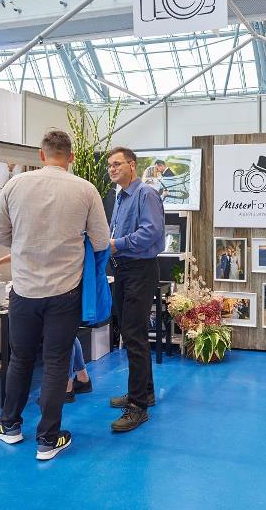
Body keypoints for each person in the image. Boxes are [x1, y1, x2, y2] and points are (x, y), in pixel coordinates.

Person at [0, 130, 110, 461]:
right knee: (57, 361)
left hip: (24, 290)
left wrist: (26, 241)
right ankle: (48, 440)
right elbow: (101, 241)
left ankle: (9, 425)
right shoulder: (85, 189)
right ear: (71, 157)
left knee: (21, 358)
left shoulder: (15, 185)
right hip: (65, 292)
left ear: (41, 155)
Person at [106, 146, 165, 433]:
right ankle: (145, 392)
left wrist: (117, 244)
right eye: (110, 165)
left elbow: (151, 232)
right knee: (132, 334)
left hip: (139, 269)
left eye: (117, 164)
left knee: (134, 335)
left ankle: (138, 407)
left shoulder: (146, 194)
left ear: (132, 165)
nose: (112, 169)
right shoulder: (121, 197)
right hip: (123, 269)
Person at [0, 254, 94, 400]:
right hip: (58, 290)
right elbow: (26, 250)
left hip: (57, 291)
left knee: (61, 339)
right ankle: (82, 379)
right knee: (68, 336)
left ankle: (67, 387)